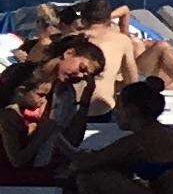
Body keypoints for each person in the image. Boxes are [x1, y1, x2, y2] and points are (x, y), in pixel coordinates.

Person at [4, 31, 107, 172]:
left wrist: (85, 99)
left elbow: (72, 139)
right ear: (69, 53)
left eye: (86, 76)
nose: (80, 76)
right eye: (82, 68)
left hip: (43, 169)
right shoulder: (21, 76)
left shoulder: (65, 93)